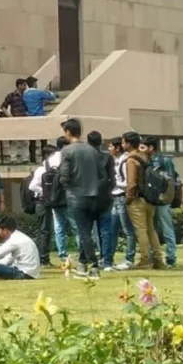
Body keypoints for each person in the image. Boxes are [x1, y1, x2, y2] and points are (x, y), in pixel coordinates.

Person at [58, 119, 109, 278]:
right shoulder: (93, 151)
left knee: (83, 233)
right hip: (93, 196)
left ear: (68, 132)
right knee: (86, 230)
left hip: (76, 196)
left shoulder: (67, 151)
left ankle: (94, 265)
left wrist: (66, 185)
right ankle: (82, 263)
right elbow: (102, 175)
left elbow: (64, 176)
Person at [126, 138, 164, 269]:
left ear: (128, 144)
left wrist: (129, 199)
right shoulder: (146, 157)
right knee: (151, 230)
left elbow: (131, 182)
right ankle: (158, 259)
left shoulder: (132, 159)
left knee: (141, 230)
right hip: (149, 198)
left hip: (137, 199)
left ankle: (145, 259)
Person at [143, 137, 178, 268]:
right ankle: (154, 257)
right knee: (151, 229)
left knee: (166, 228)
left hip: (162, 200)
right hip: (149, 199)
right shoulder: (144, 160)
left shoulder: (164, 160)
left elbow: (171, 181)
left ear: (151, 147)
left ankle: (171, 258)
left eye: (143, 147)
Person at [106, 136, 136, 271]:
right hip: (116, 198)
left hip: (123, 197)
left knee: (128, 230)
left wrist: (113, 182)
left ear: (117, 148)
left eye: (111, 146)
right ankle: (109, 258)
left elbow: (127, 183)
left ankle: (129, 259)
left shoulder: (125, 161)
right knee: (112, 229)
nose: (109, 149)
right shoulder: (116, 160)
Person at [87, 130, 115, 269]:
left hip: (87, 196)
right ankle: (107, 259)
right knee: (105, 230)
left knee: (86, 231)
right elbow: (112, 178)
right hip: (104, 197)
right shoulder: (107, 157)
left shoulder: (85, 157)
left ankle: (88, 259)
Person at [28, 144, 57, 266]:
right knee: (44, 231)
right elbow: (32, 186)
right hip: (42, 202)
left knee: (47, 231)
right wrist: (45, 192)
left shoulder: (53, 169)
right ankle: (43, 258)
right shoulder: (41, 170)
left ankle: (44, 257)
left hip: (48, 202)